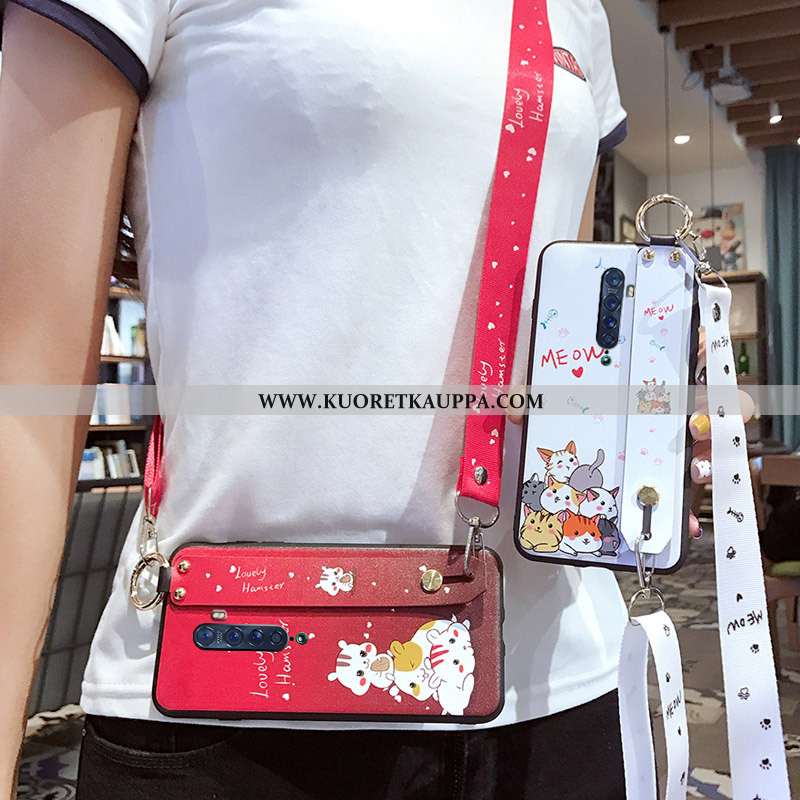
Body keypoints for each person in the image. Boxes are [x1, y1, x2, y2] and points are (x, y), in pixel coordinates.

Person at [1, 2, 715, 798]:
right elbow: (23, 385)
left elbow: (544, 325)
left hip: (557, 687)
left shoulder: (575, 12)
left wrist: (617, 426)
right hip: (232, 690)